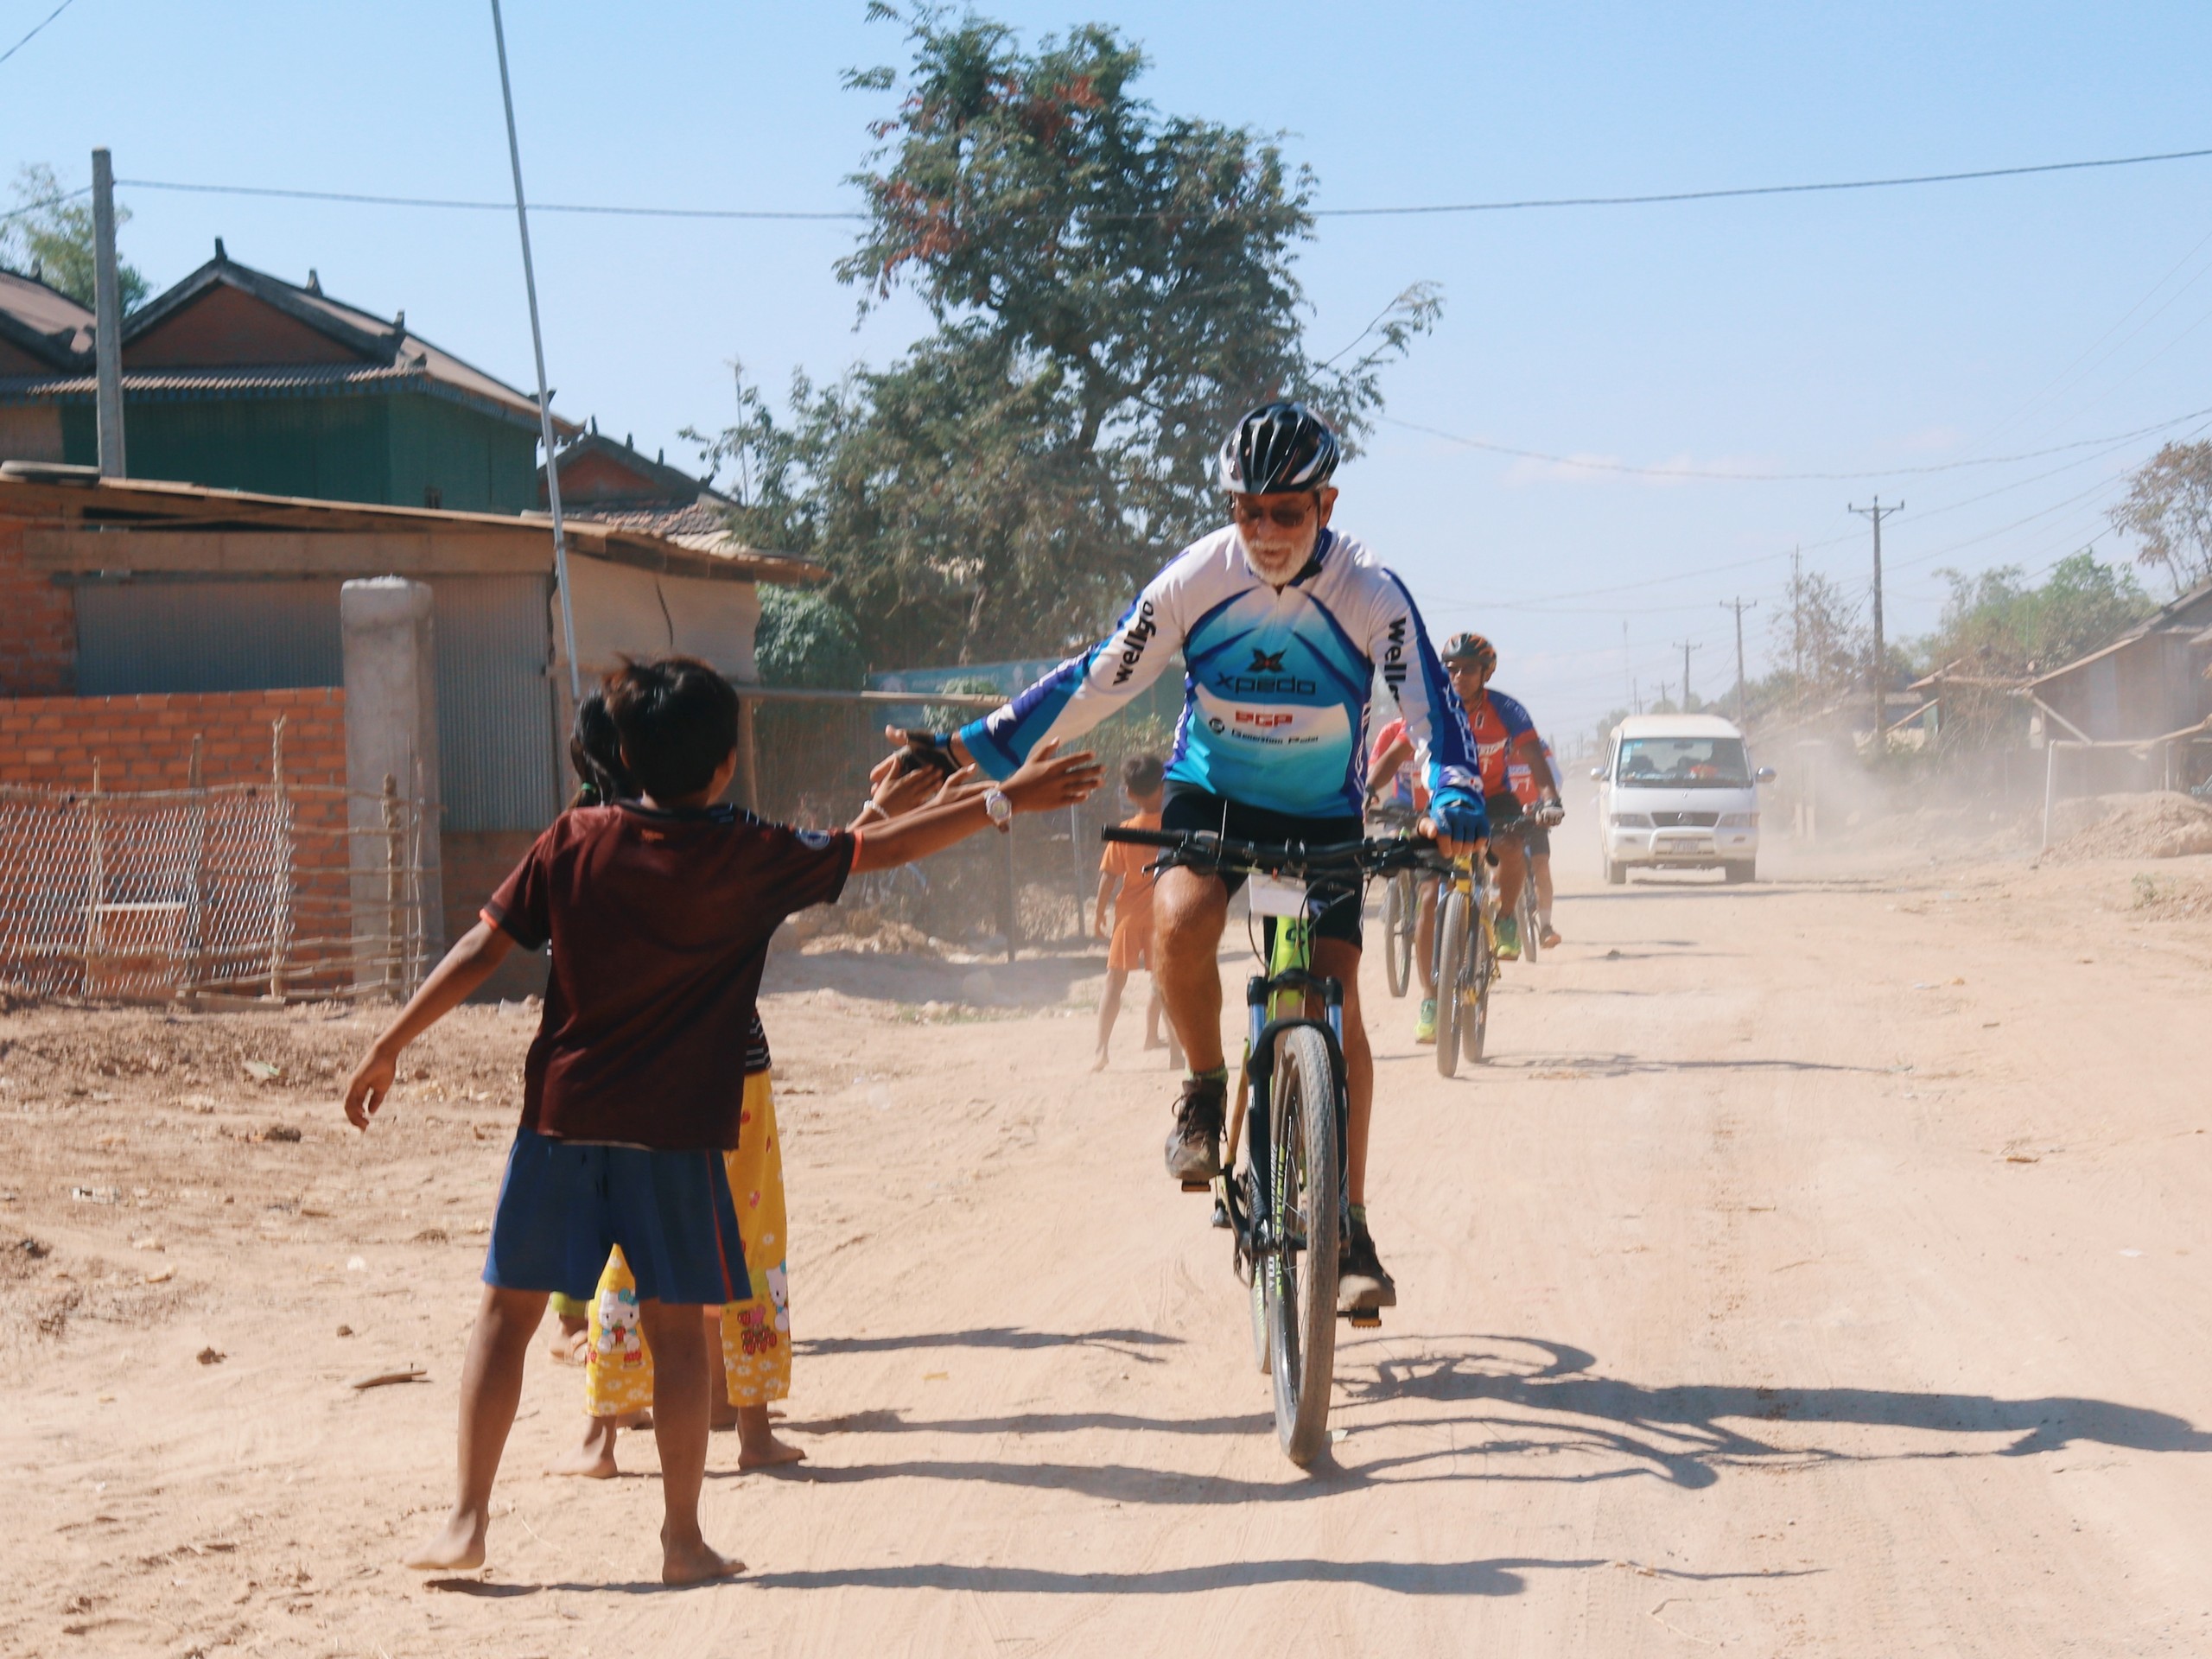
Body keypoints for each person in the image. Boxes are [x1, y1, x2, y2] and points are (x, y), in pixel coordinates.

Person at [342, 656, 1099, 1583]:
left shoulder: (572, 839)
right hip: (678, 1135)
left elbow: (477, 946)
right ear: (727, 764)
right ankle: (682, 1539)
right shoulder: (749, 854)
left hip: (563, 1124)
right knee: (676, 1333)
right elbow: (880, 851)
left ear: (623, 753)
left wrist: (390, 1041)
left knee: (504, 1320)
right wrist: (1005, 800)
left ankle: (465, 1524)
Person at [887, 402, 1486, 1311]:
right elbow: (1095, 678)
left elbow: (1424, 700)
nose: (1267, 531)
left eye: (1288, 512)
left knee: (1341, 1001)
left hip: (1324, 809)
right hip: (1213, 789)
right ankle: (1204, 1090)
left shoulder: (1369, 589)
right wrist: (961, 750)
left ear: (1326, 502)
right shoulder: (1196, 579)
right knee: (1179, 921)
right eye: (1249, 511)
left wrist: (1454, 798)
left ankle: (1352, 1224)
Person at [1435, 632, 1560, 963]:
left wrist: (1551, 800)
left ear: (1486, 673)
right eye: (1452, 669)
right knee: (1431, 874)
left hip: (1494, 796)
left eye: (1469, 669)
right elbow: (1399, 751)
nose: (1459, 676)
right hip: (1446, 797)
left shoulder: (1506, 708)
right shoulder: (1434, 707)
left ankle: (1506, 920)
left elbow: (1535, 758)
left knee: (1511, 845)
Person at [1093, 753, 1174, 1070]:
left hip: (1127, 917)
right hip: (1162, 916)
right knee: (1163, 983)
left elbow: (1108, 877)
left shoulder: (1124, 831)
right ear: (1163, 786)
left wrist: (1099, 913)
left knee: (1114, 984)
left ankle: (1101, 1050)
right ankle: (1173, 1050)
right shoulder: (1174, 827)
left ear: (1128, 793)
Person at [1508, 735, 1566, 949]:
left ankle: (1545, 927)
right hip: (1504, 817)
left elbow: (1555, 779)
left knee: (1541, 866)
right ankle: (1503, 923)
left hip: (1535, 815)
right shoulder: (1492, 746)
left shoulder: (1538, 746)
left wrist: (1547, 803)